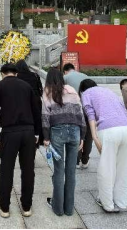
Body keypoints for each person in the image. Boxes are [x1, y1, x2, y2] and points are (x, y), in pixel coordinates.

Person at [0, 64, 41, 219]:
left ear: (2, 73)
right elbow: (36, 109)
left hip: (9, 132)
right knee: (28, 170)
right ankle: (26, 206)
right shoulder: (26, 86)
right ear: (16, 73)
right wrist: (37, 133)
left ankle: (4, 207)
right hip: (28, 132)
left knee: (6, 169)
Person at [81, 79, 127, 213]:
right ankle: (121, 201)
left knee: (107, 168)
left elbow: (90, 115)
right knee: (125, 167)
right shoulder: (109, 92)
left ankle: (107, 204)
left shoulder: (86, 93)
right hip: (126, 130)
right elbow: (123, 110)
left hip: (108, 131)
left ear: (82, 89)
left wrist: (94, 136)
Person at [41, 69, 85, 217]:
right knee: (71, 171)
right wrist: (82, 136)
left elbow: (45, 117)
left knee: (59, 171)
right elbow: (80, 114)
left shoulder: (48, 92)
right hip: (75, 131)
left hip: (57, 131)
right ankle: (69, 209)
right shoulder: (72, 90)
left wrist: (46, 137)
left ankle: (58, 208)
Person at [62, 63, 92, 170]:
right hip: (88, 109)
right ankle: (85, 160)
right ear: (74, 69)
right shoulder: (85, 76)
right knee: (88, 135)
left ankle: (76, 160)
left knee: (77, 133)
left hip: (74, 110)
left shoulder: (65, 77)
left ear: (65, 71)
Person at [15, 61, 44, 148]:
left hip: (22, 101)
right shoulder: (35, 75)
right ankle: (35, 142)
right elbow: (40, 90)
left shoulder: (17, 77)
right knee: (36, 120)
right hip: (36, 101)